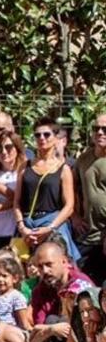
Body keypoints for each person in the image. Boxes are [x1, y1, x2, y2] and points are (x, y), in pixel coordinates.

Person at [14, 118, 77, 260]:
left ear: (56, 138)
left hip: (53, 227)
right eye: (37, 135)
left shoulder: (64, 169)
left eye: (46, 134)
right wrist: (22, 227)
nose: (41, 138)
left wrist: (50, 228)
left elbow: (69, 206)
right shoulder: (25, 167)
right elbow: (17, 201)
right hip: (27, 226)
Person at [29, 241, 94, 342]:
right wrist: (52, 329)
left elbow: (89, 322)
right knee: (52, 320)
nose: (45, 271)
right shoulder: (39, 291)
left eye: (49, 264)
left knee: (58, 320)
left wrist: (53, 328)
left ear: (64, 261)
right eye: (40, 266)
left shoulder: (81, 284)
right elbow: (36, 335)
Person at [74, 113, 106, 274]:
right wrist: (75, 217)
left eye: (104, 129)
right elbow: (72, 189)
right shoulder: (83, 159)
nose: (100, 133)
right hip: (87, 235)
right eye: (96, 129)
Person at [0, 131, 25, 251]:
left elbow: (18, 199)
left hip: (15, 232)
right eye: (0, 148)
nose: (4, 152)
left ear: (17, 148)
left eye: (8, 147)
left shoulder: (23, 172)